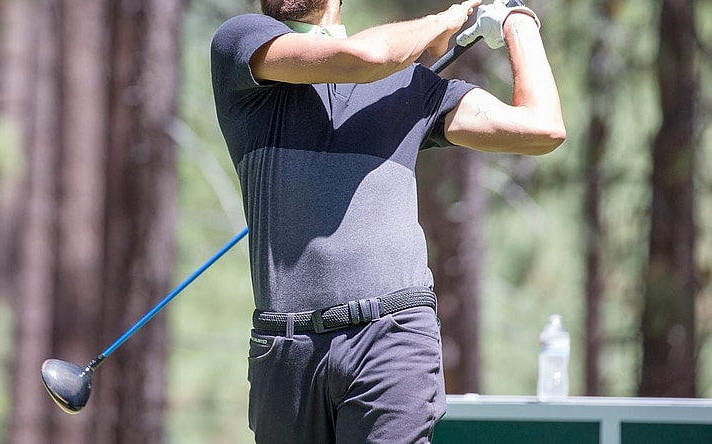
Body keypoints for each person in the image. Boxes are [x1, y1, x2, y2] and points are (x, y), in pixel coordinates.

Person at [210, 0, 564, 442]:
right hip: (286, 350)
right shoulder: (243, 43)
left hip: (392, 337)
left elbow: (542, 128)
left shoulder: (413, 87)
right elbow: (365, 58)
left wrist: (517, 20)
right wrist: (444, 23)